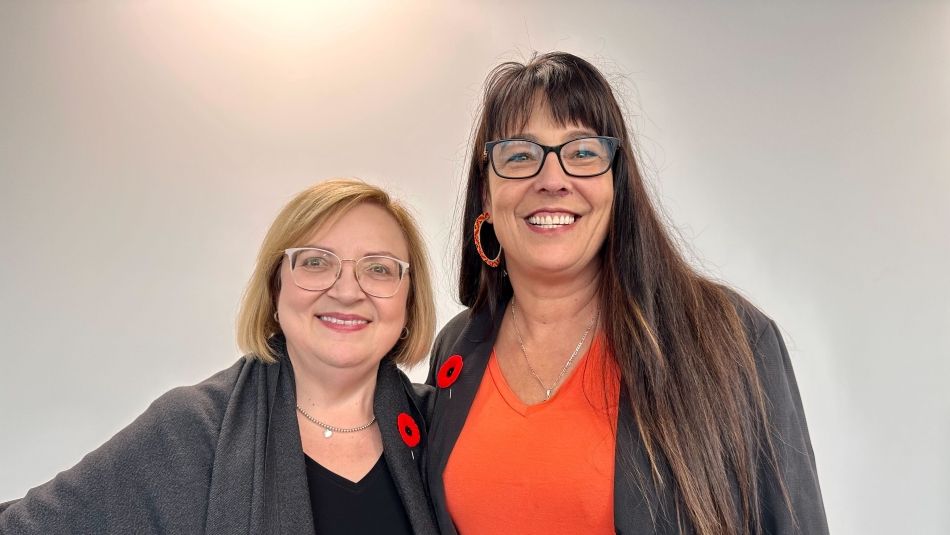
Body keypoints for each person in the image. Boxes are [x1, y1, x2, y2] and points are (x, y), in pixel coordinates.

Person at [425, 52, 829, 535]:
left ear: (617, 185)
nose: (552, 180)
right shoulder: (457, 348)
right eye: (519, 156)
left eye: (582, 153)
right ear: (486, 195)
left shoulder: (728, 336)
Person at [0, 179, 439, 534]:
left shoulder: (443, 429)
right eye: (315, 263)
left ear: (408, 301)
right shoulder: (192, 427)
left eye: (379, 268)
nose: (346, 290)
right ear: (275, 289)